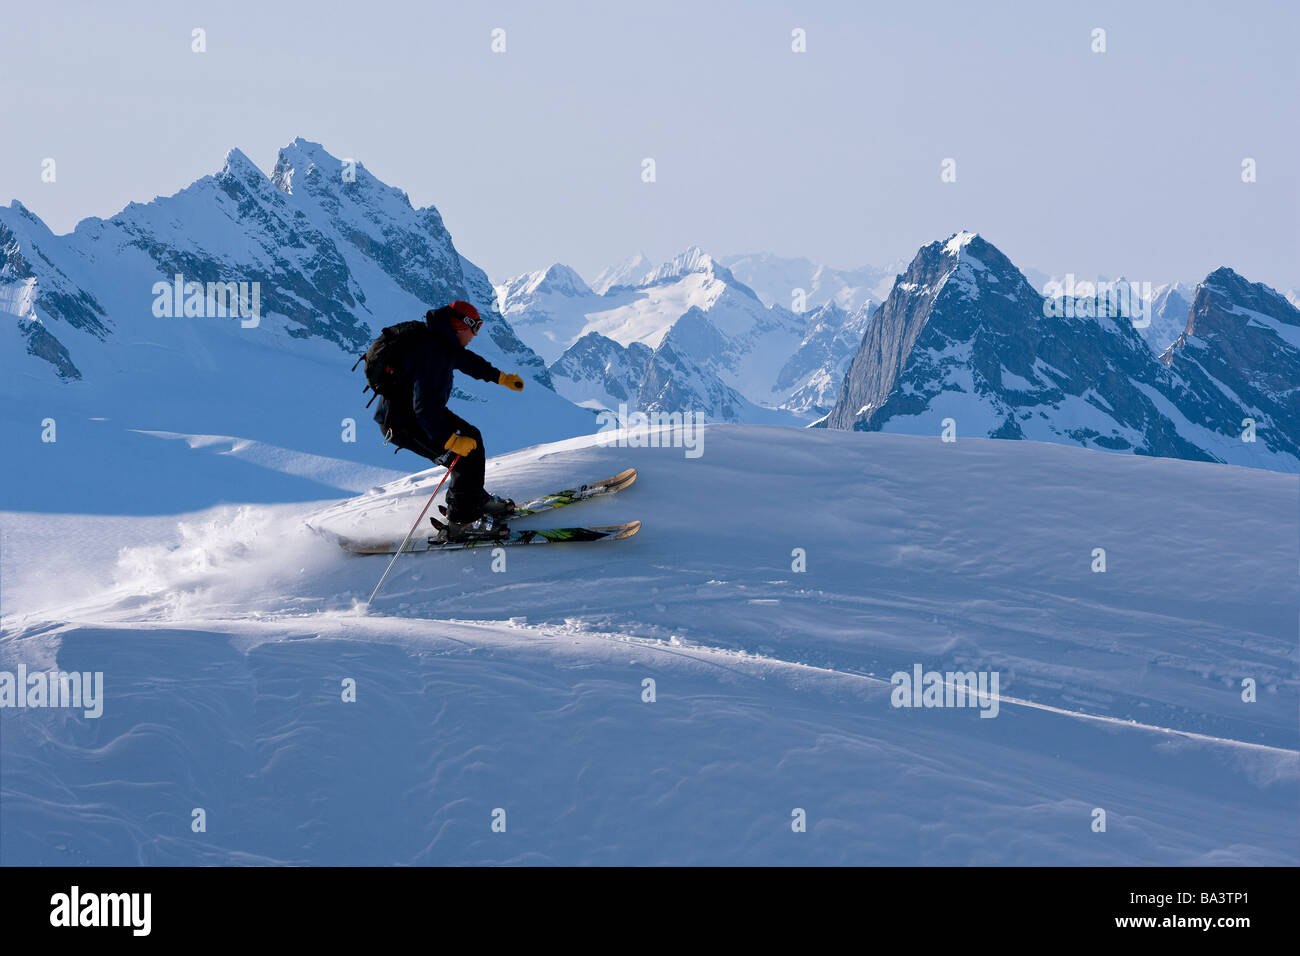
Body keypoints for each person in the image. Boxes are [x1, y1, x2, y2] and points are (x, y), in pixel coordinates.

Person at [372, 300, 525, 539]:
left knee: (472, 437)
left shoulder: (442, 342)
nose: (475, 335)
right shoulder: (432, 352)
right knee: (463, 457)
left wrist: (501, 377)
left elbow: (467, 362)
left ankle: (472, 499)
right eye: (474, 329)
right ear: (460, 326)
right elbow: (423, 407)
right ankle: (462, 522)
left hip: (420, 415)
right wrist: (450, 440)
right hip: (404, 423)